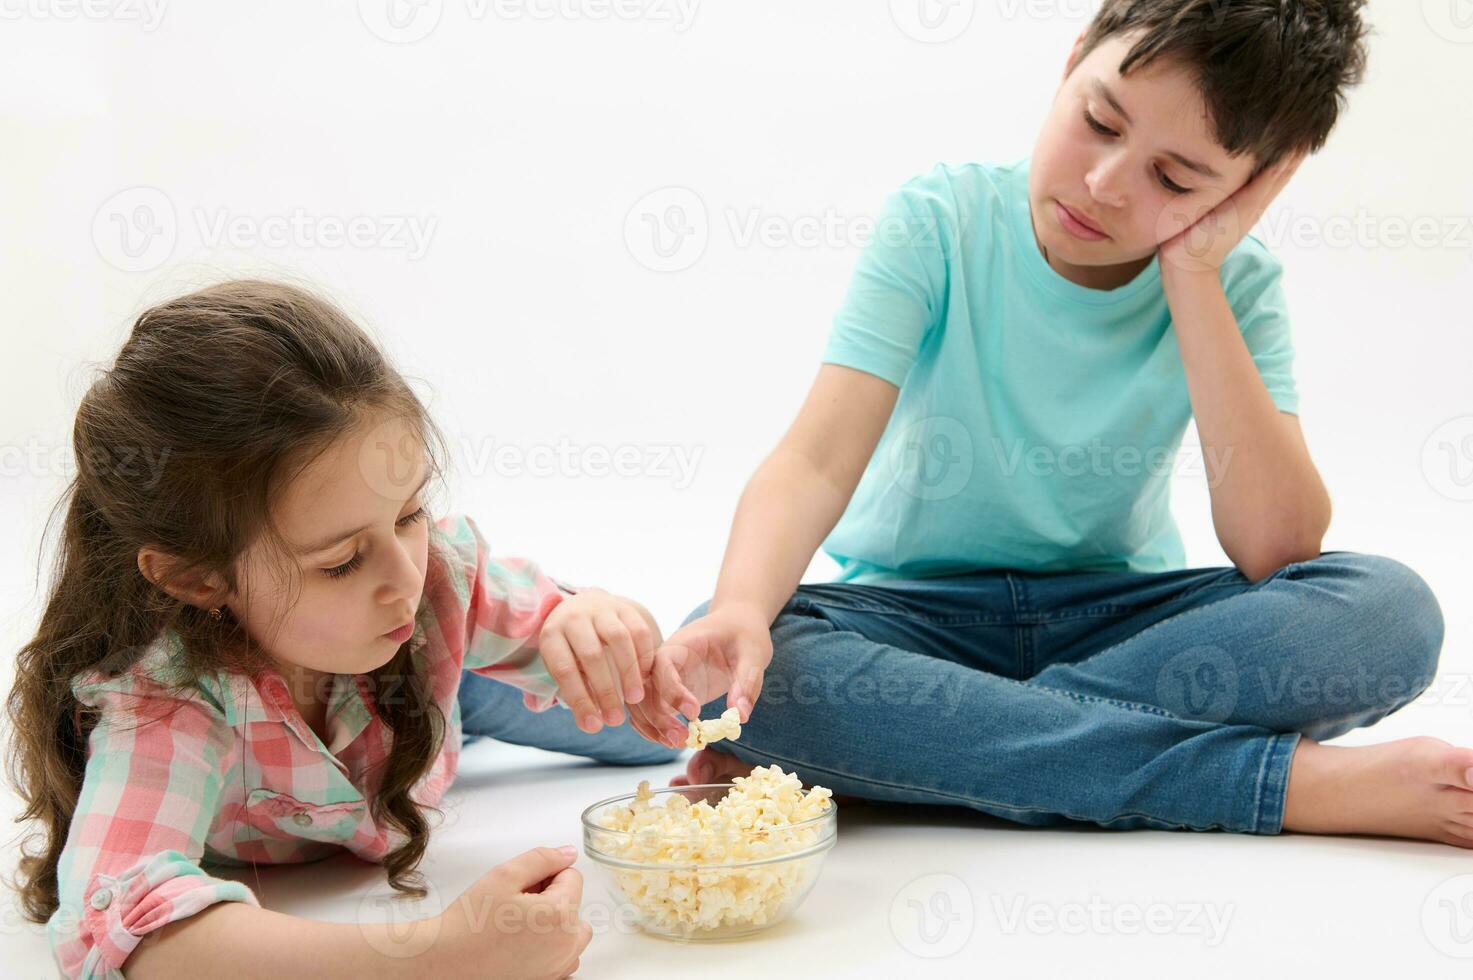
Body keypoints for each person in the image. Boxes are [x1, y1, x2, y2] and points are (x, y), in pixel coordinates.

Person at [631, 1, 1473, 849]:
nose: (1106, 185)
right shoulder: (941, 220)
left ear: (1252, 184)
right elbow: (813, 464)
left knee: (1389, 613)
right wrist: (742, 607)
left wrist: (1191, 274)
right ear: (1073, 60)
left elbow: (1276, 548)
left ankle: (927, 759)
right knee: (735, 665)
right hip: (917, 620)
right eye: (1099, 121)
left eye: (1175, 180)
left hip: (1119, 618)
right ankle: (1281, 786)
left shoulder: (1236, 285)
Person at [6, 279, 675, 979]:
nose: (406, 581)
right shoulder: (165, 701)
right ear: (199, 580)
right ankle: (465, 700)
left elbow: (612, 653)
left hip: (428, 690)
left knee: (666, 725)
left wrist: (594, 619)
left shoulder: (437, 583)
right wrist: (436, 957)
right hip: (410, 705)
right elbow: (124, 932)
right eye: (343, 561)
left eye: (410, 515)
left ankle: (469, 693)